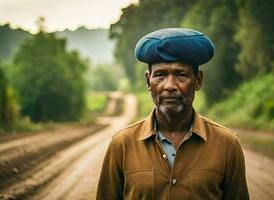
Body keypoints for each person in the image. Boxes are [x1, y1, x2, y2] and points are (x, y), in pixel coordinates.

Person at [96, 28, 249, 200]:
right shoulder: (122, 145)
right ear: (148, 81)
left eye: (181, 75)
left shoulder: (227, 144)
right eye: (160, 75)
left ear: (197, 80)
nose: (169, 85)